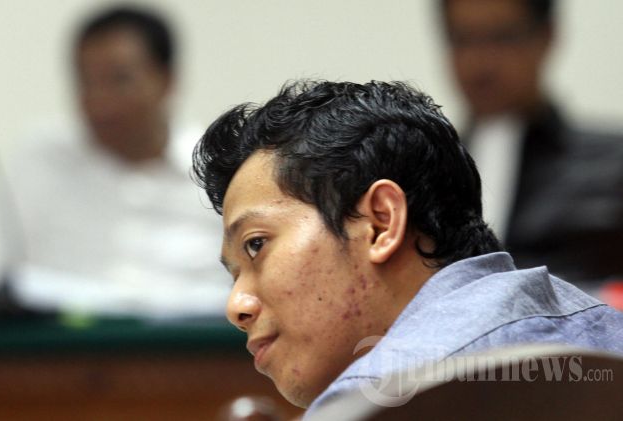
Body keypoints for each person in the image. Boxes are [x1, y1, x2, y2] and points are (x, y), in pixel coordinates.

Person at [191, 80, 623, 416]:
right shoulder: (602, 333)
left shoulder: (382, 396)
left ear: (381, 222)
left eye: (256, 245)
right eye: (233, 275)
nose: (236, 307)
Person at [1, 6, 227, 317]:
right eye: (86, 81)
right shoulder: (41, 158)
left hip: (189, 345)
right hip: (60, 345)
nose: (99, 102)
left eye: (119, 80)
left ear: (167, 81)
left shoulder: (218, 171)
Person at [440, 0, 623, 282]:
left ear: (547, 36)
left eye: (503, 38)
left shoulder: (613, 169)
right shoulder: (428, 175)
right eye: (462, 39)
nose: (479, 63)